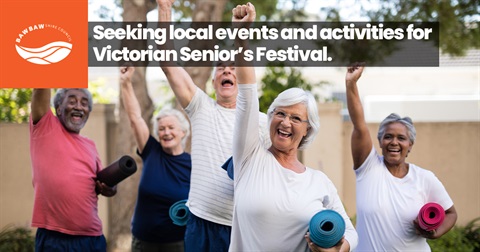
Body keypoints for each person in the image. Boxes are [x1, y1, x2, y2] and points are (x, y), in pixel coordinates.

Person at [229, 3, 358, 252]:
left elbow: (351, 232)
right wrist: (241, 37)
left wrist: (336, 250)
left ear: (308, 129)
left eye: (296, 118)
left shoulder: (319, 182)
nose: (286, 122)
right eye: (280, 113)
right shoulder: (249, 157)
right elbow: (246, 93)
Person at [155, 1, 269, 251]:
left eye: (234, 67)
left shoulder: (263, 122)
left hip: (242, 227)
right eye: (221, 67)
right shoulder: (201, 107)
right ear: (214, 79)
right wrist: (164, 8)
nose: (227, 71)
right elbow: (167, 63)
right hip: (201, 225)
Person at [345, 63, 458, 251]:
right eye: (388, 136)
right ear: (380, 142)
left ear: (410, 145)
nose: (394, 142)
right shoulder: (368, 167)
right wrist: (351, 84)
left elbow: (451, 213)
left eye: (401, 138)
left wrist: (435, 233)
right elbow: (359, 124)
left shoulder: (424, 178)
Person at [30, 88, 116, 251]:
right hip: (55, 239)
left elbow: (105, 186)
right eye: (71, 101)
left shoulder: (90, 146)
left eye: (84, 104)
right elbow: (40, 88)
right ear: (59, 108)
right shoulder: (45, 127)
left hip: (92, 238)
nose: (78, 106)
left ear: (88, 112)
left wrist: (110, 188)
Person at [120, 66, 192, 252]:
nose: (166, 132)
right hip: (143, 243)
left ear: (183, 132)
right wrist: (126, 83)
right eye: (161, 129)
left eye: (171, 127)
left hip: (177, 244)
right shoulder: (152, 151)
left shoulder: (194, 164)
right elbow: (135, 118)